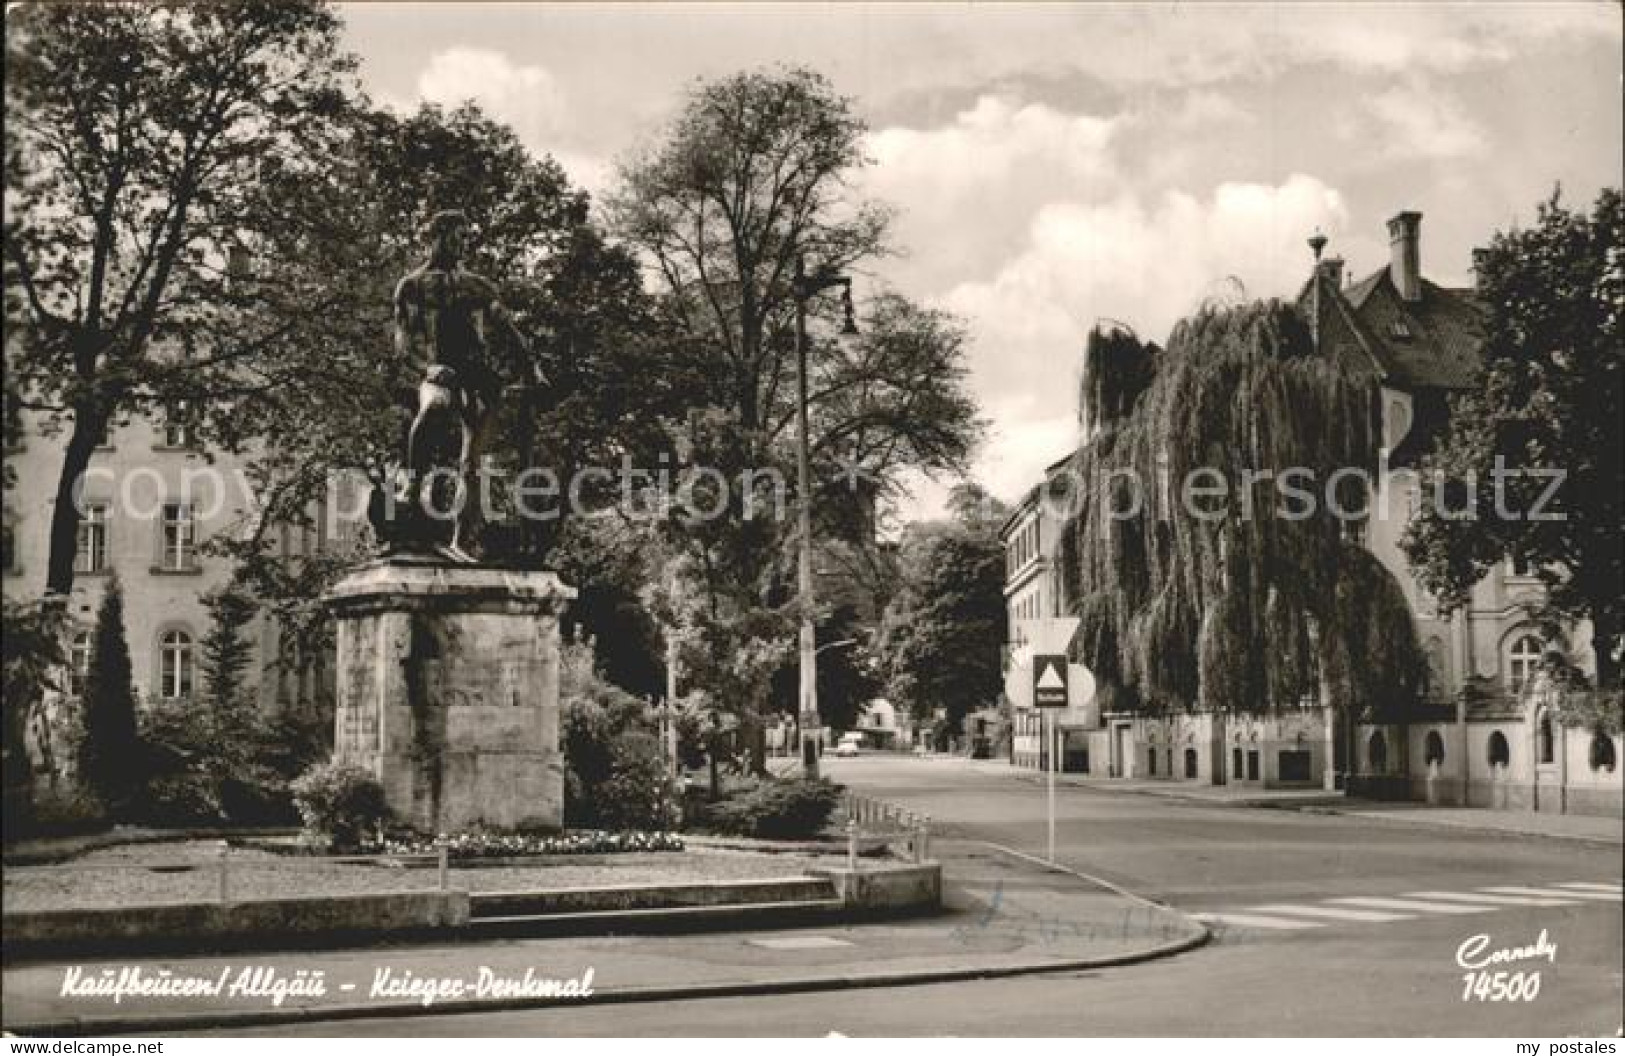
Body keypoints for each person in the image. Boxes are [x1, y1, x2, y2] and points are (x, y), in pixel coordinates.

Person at [393, 210, 540, 559]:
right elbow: (403, 346)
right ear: (437, 236)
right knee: (435, 406)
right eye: (457, 235)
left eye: (465, 236)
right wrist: (428, 368)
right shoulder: (412, 286)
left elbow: (508, 330)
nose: (463, 243)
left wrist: (532, 366)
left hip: (477, 378)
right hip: (437, 372)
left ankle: (462, 538)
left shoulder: (478, 286)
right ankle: (412, 485)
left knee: (473, 464)